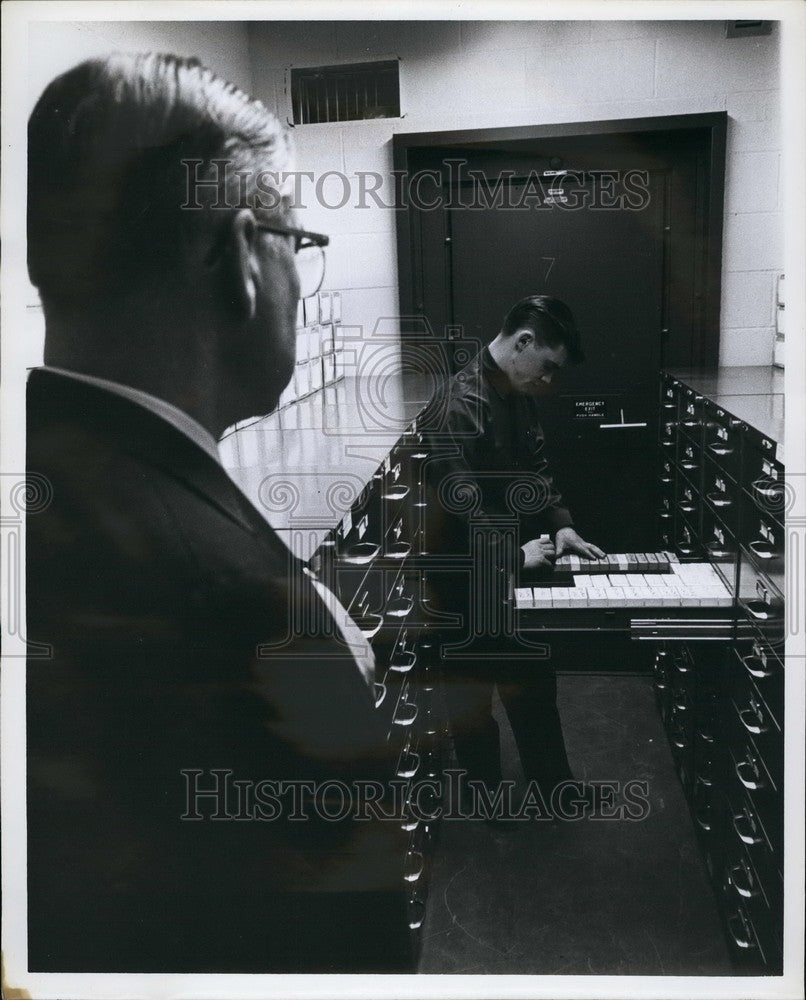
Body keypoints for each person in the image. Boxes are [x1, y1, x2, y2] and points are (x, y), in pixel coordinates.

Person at [26, 53, 409, 973]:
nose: (298, 284)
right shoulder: (239, 608)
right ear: (241, 255)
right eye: (298, 244)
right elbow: (346, 955)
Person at [421, 295, 605, 807]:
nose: (549, 381)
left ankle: (554, 787)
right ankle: (487, 800)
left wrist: (559, 525)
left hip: (506, 568)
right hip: (462, 576)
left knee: (532, 681)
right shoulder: (458, 403)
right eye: (547, 367)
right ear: (523, 343)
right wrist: (511, 556)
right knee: (473, 698)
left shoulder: (515, 391)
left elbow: (536, 465)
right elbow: (461, 501)